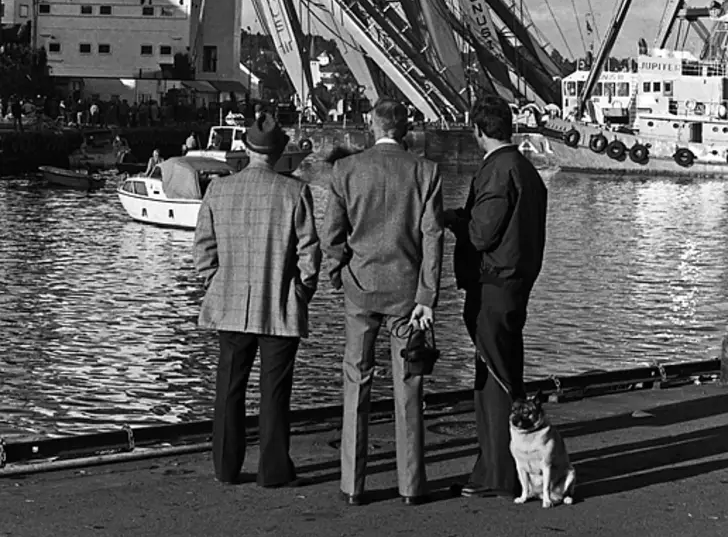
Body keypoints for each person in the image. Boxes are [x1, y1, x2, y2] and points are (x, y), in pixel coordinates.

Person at [322, 97, 444, 506]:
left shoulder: (345, 170)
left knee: (356, 381)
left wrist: (337, 270)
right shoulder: (426, 172)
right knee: (409, 383)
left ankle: (353, 484)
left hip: (360, 287)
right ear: (405, 128)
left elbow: (331, 235)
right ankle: (411, 484)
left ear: (372, 125)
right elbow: (433, 236)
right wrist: (428, 295)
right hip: (408, 294)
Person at [193, 112, 320, 487]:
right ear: (279, 153)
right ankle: (273, 470)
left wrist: (215, 283)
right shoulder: (294, 191)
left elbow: (203, 250)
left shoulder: (219, 189)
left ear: (246, 149)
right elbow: (309, 255)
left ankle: (226, 468)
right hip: (279, 305)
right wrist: (301, 292)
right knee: (275, 393)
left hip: (229, 304)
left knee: (229, 389)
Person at [445, 95, 547, 499]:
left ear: (478, 131)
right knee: (506, 369)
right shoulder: (527, 169)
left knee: (493, 377)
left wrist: (455, 220)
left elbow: (482, 233)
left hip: (493, 282)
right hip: (518, 280)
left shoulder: (497, 170)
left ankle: (496, 472)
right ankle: (505, 467)